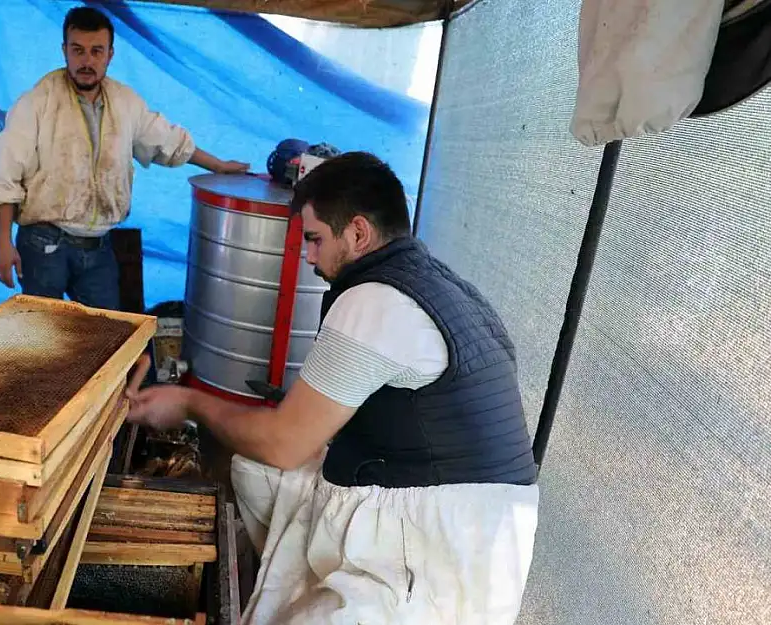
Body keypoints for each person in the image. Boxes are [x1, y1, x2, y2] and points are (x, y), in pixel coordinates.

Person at [125, 152, 540, 624]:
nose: (309, 256)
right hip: (476, 521)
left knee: (274, 466)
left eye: (316, 239)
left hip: (439, 542)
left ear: (358, 233)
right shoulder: (448, 288)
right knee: (255, 473)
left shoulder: (377, 302)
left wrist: (188, 402)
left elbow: (284, 443)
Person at [0, 6, 248, 310]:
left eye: (96, 51)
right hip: (43, 244)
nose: (87, 61)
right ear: (64, 50)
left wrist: (218, 166)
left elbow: (168, 142)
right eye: (78, 50)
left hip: (98, 244)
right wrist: (4, 242)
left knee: (104, 336)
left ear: (110, 55)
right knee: (43, 339)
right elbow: (5, 174)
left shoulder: (125, 102)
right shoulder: (38, 102)